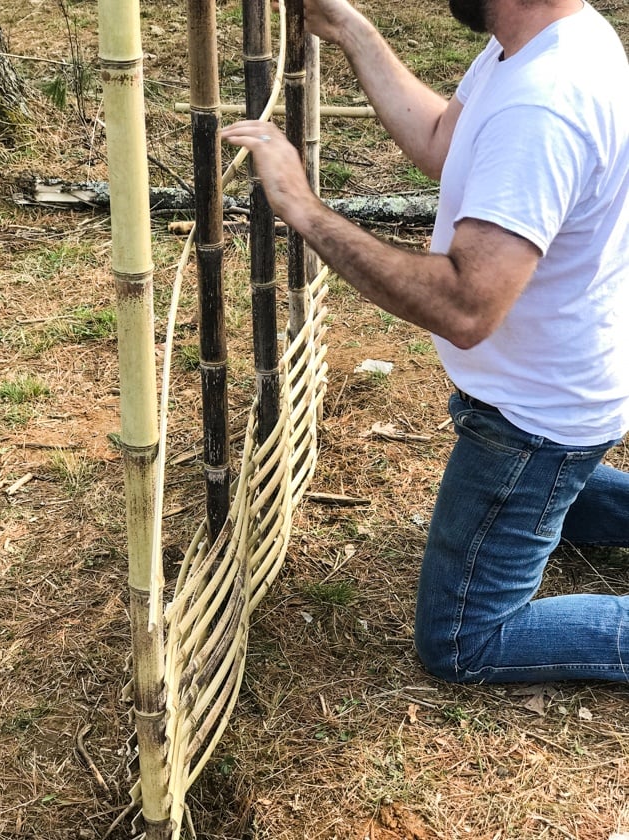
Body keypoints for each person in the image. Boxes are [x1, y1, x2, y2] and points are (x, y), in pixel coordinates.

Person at [222, 0, 629, 683]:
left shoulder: (547, 102)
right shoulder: (543, 38)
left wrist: (304, 209)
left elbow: (468, 306)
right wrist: (351, 29)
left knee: (463, 641)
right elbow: (445, 139)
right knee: (560, 491)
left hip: (537, 418)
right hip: (563, 381)